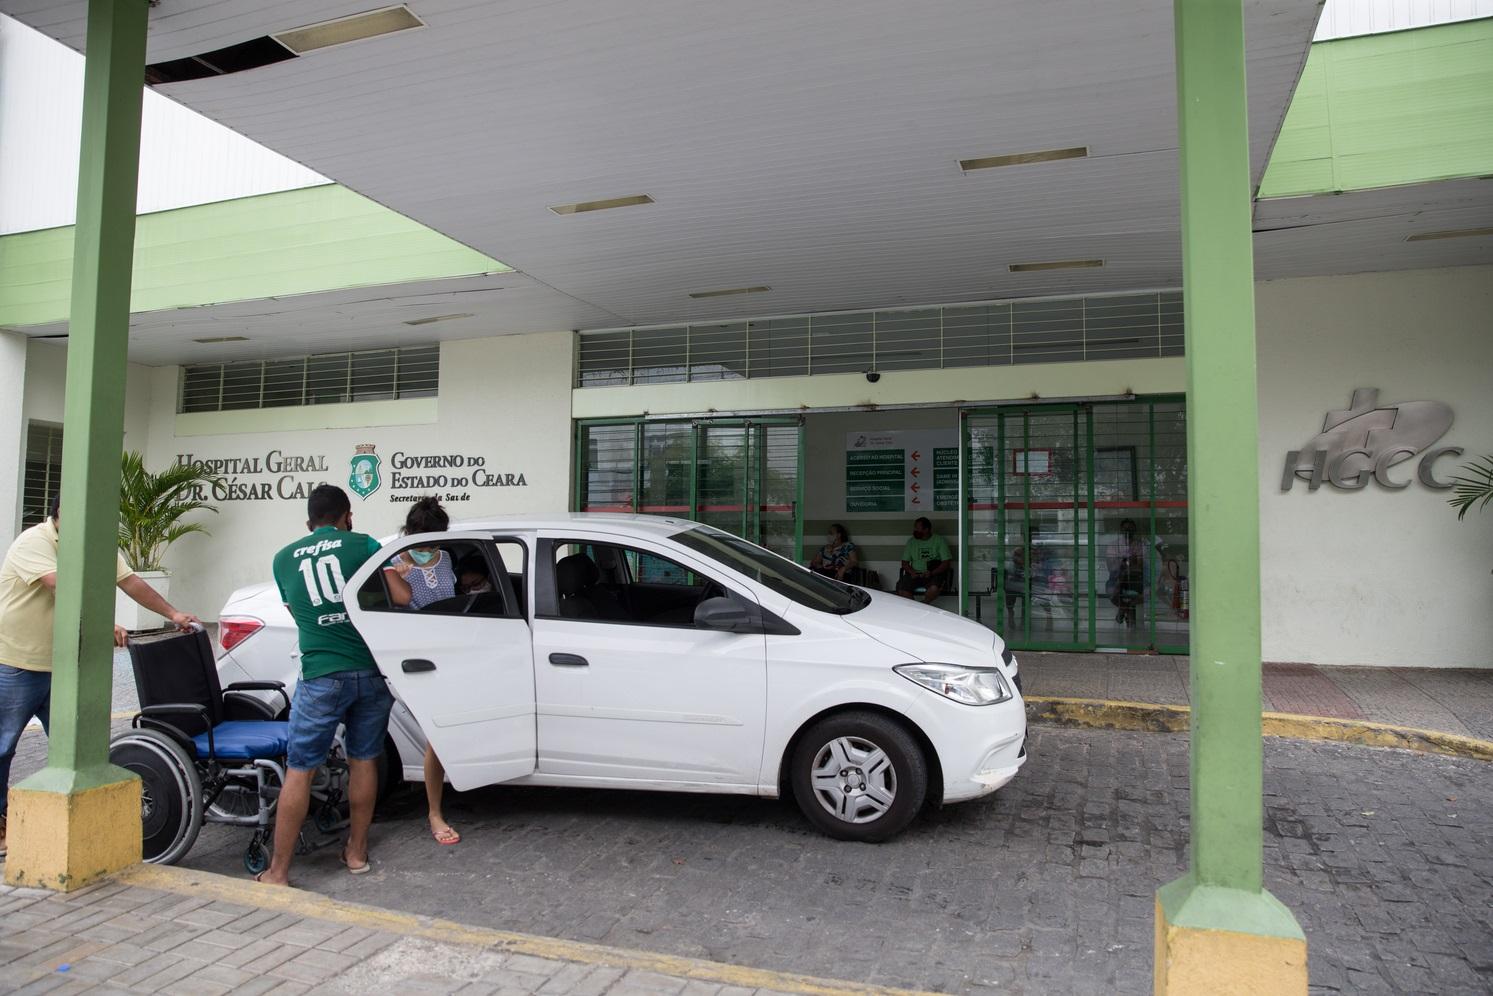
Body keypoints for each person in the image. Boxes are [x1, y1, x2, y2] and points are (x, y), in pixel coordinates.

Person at [0, 494, 200, 857]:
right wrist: (102, 623)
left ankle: (73, 817)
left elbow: (131, 583)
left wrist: (173, 613)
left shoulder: (94, 544)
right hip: (17, 663)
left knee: (78, 744)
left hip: (63, 665)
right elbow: (60, 585)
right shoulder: (36, 542)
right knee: (3, 745)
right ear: (61, 516)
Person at [259, 485, 393, 884]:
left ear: (309, 522)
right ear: (346, 515)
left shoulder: (283, 559)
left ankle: (278, 872)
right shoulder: (363, 543)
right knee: (364, 760)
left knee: (300, 770)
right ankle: (356, 852)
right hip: (369, 670)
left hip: (319, 675)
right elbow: (386, 597)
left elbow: (297, 610)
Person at [381, 496, 461, 847]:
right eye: (425, 540)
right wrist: (395, 575)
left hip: (452, 652)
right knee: (436, 734)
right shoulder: (392, 562)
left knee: (444, 733)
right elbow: (396, 603)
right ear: (411, 534)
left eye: (435, 540)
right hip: (416, 659)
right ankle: (434, 812)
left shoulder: (448, 558)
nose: (431, 547)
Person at [895, 517, 952, 603]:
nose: (915, 530)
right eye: (915, 528)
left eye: (918, 528)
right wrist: (912, 572)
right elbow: (904, 563)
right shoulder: (911, 542)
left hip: (933, 574)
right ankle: (916, 608)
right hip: (915, 574)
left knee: (934, 589)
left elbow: (946, 563)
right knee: (901, 589)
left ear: (926, 529)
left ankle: (924, 605)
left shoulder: (939, 540)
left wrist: (932, 572)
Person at [1105, 518, 1146, 628]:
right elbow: (1111, 567)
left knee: (1147, 593)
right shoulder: (1113, 545)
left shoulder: (1139, 545)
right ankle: (1127, 612)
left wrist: (1124, 564)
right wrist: (1126, 563)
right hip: (1116, 579)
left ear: (1135, 530)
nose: (1128, 531)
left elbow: (1140, 567)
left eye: (1131, 529)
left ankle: (1123, 611)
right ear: (1121, 530)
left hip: (1135, 579)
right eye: (1125, 529)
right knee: (1111, 593)